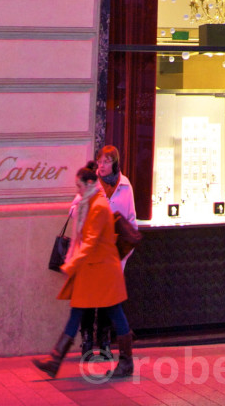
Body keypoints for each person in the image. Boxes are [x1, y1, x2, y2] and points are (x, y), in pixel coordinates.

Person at [34, 162, 133, 380]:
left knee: (115, 312)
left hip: (102, 271)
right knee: (77, 312)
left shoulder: (97, 206)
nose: (77, 190)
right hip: (93, 271)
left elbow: (89, 242)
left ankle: (126, 363)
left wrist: (71, 264)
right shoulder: (89, 203)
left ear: (89, 183)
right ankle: (54, 360)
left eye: (79, 186)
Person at [86, 145, 138, 363]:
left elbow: (132, 221)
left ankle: (106, 342)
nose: (102, 165)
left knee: (110, 302)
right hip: (93, 253)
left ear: (115, 163)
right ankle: (88, 343)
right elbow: (74, 208)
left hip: (113, 255)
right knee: (88, 299)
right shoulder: (91, 183)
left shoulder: (125, 187)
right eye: (100, 161)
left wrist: (124, 256)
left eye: (106, 161)